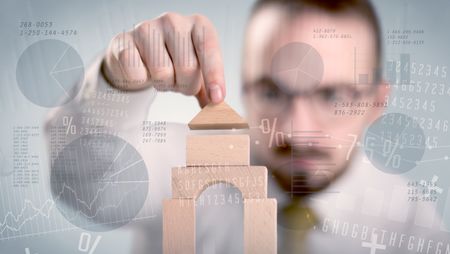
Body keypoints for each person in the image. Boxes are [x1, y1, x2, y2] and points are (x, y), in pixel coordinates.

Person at [46, 0, 448, 253]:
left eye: (333, 97)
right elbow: (86, 186)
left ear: (377, 101)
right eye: (272, 92)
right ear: (243, 89)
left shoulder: (414, 228)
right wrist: (115, 83)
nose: (296, 130)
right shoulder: (182, 166)